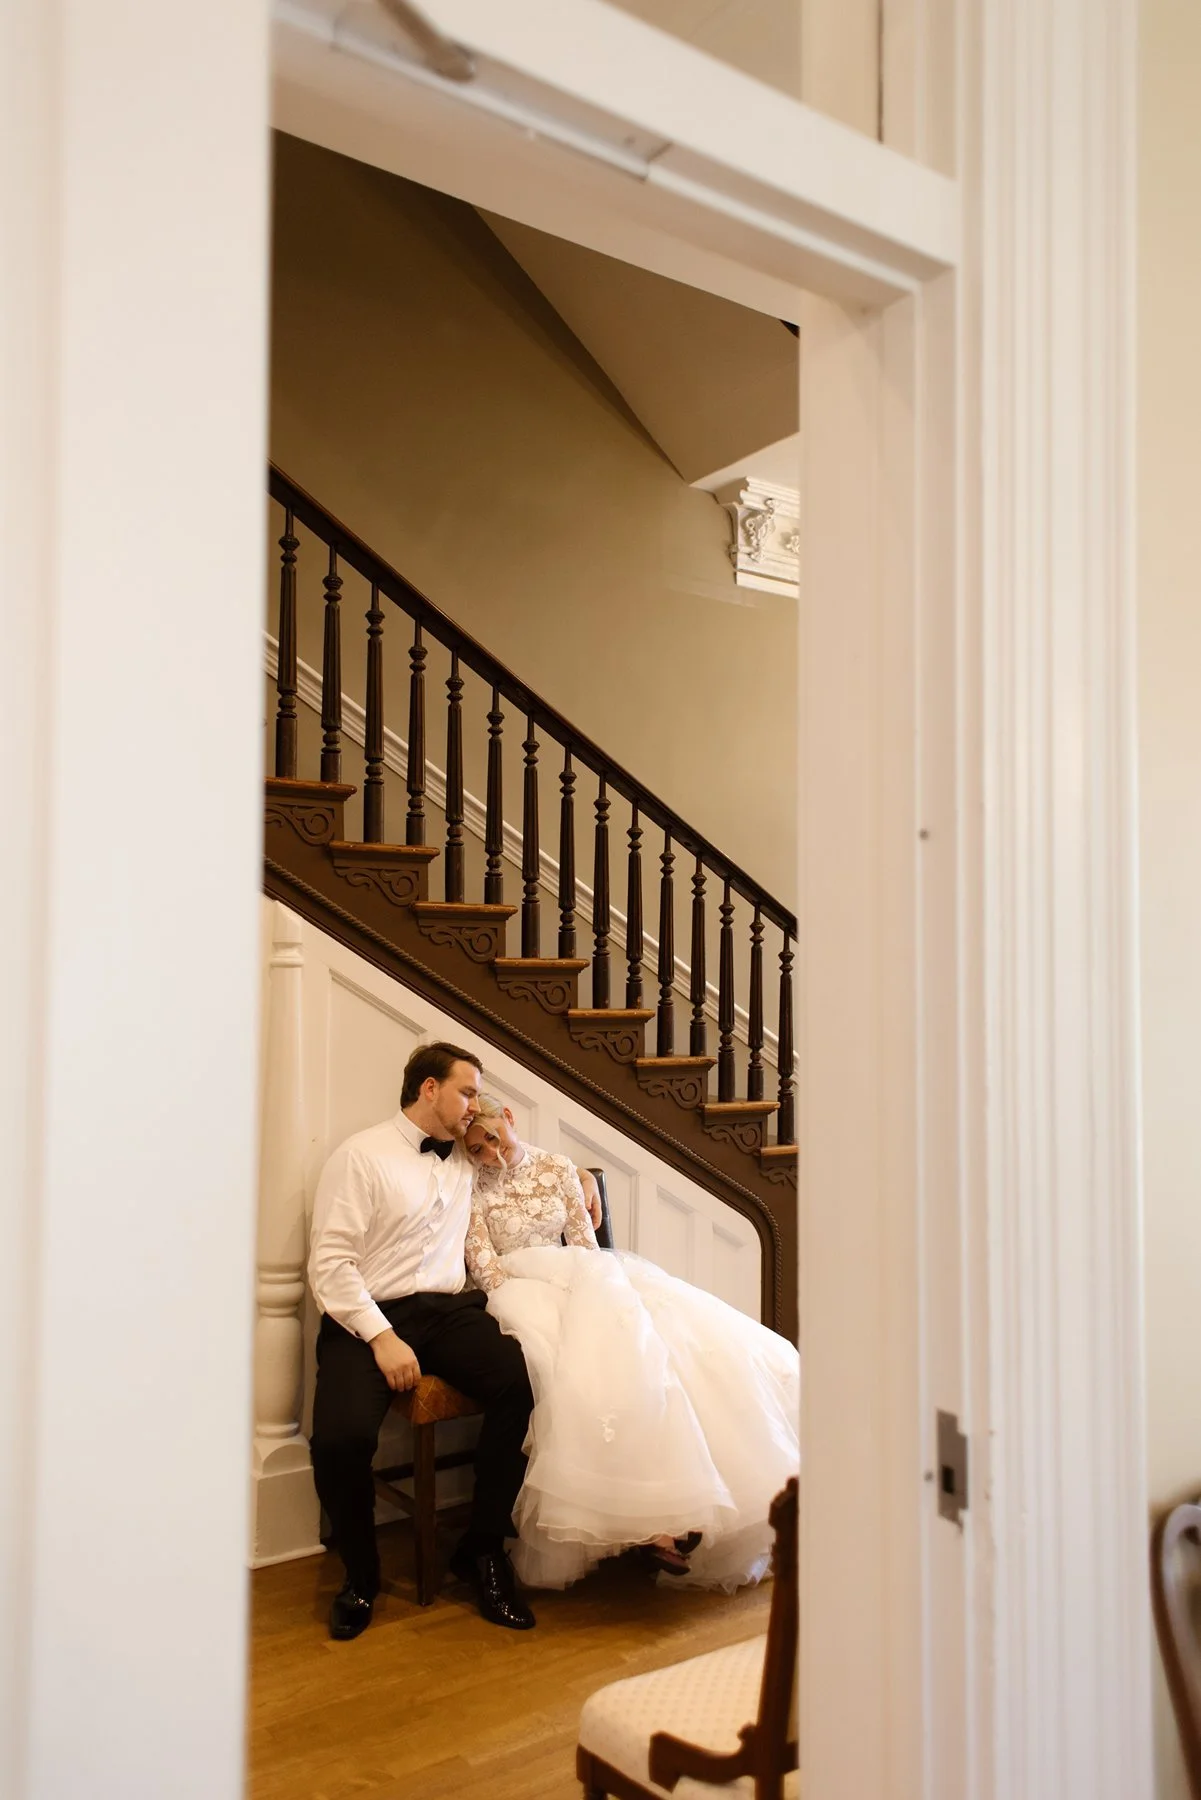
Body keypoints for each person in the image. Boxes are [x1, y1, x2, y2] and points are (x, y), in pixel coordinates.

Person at [462, 1095, 800, 1593]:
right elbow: (484, 1266)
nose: (489, 1154)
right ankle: (642, 1520)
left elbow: (585, 1246)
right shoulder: (468, 1184)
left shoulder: (558, 1167)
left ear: (508, 1118)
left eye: (492, 1138)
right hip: (518, 1292)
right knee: (578, 1372)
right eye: (476, 1149)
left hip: (583, 1279)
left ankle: (677, 1508)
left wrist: (582, 1292)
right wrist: (540, 1289)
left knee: (669, 1347)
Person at [307, 1042, 538, 1639]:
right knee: (339, 1438)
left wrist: (582, 1189)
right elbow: (331, 1264)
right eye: (466, 1091)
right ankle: (360, 1574)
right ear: (428, 1088)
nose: (475, 1105)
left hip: (448, 1311)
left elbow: (524, 1171)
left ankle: (484, 1551)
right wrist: (381, 1337)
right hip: (367, 1316)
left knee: (518, 1382)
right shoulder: (360, 1156)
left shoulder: (466, 1156)